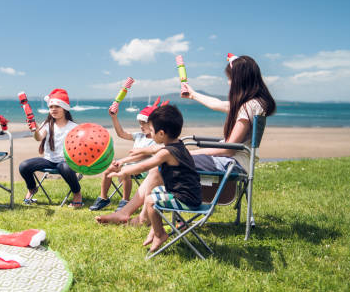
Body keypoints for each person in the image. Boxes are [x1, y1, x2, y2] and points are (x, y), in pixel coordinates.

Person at [96, 53, 276, 225]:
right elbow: (217, 104)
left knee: (162, 165)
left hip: (232, 163)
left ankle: (133, 215)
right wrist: (193, 93)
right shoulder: (251, 104)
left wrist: (192, 152)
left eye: (230, 79)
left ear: (239, 79)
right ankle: (135, 215)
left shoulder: (247, 107)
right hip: (234, 160)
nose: (229, 83)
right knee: (162, 164)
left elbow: (229, 149)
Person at [107, 104, 201, 251]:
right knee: (154, 193)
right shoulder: (177, 145)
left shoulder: (167, 152)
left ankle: (159, 234)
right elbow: (152, 148)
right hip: (189, 193)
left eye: (151, 131)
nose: (149, 134)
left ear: (162, 133)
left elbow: (145, 166)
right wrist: (141, 150)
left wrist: (124, 172)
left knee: (150, 200)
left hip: (186, 198)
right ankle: (154, 230)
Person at [89, 99, 165, 211]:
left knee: (125, 171)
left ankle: (125, 201)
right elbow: (121, 133)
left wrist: (123, 161)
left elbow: (144, 155)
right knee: (108, 170)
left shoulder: (156, 139)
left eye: (144, 123)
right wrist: (114, 117)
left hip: (145, 169)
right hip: (129, 164)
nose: (141, 126)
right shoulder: (139, 136)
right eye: (140, 123)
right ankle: (103, 198)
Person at [19, 88, 83, 208]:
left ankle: (77, 193)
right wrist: (35, 130)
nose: (53, 109)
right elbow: (38, 138)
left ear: (64, 108)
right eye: (51, 107)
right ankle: (32, 189)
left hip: (66, 162)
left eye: (57, 106)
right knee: (24, 166)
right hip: (49, 160)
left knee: (64, 166)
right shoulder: (47, 124)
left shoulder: (74, 127)